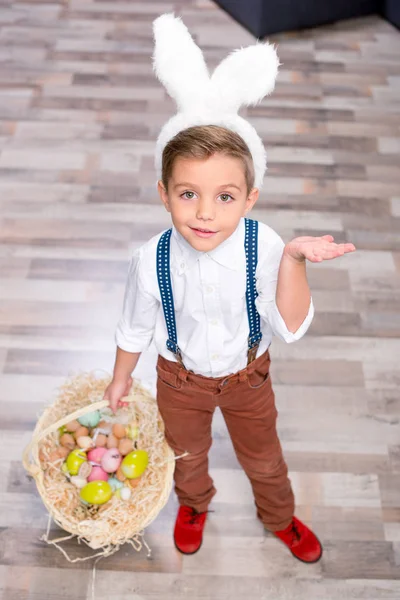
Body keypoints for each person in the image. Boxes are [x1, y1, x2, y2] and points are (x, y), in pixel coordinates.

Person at [104, 14, 356, 563]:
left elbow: (290, 325)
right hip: (179, 379)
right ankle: (194, 503)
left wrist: (293, 260)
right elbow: (134, 326)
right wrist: (120, 382)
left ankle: (280, 517)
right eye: (188, 193)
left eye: (224, 196)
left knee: (264, 458)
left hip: (249, 378)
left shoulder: (263, 245)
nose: (203, 212)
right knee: (186, 454)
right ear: (163, 194)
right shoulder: (150, 259)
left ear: (250, 198)